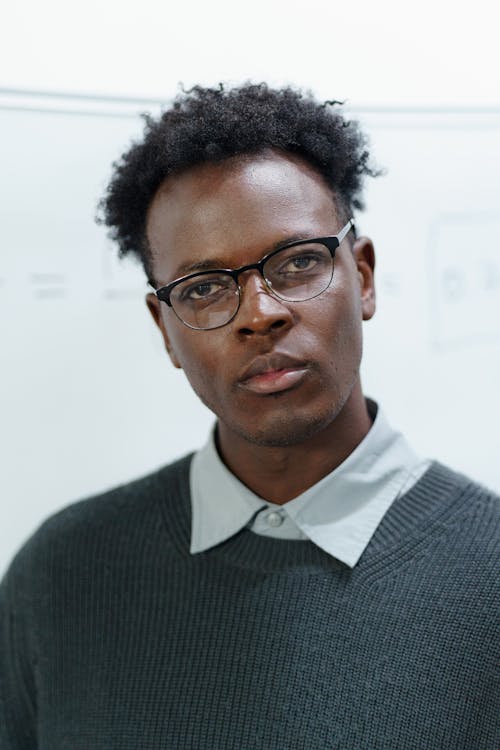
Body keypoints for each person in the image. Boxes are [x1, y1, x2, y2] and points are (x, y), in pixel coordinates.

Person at [0, 83, 498, 749]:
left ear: (365, 276)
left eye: (297, 264)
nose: (260, 314)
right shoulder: (59, 578)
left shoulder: (487, 571)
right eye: (204, 289)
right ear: (166, 329)